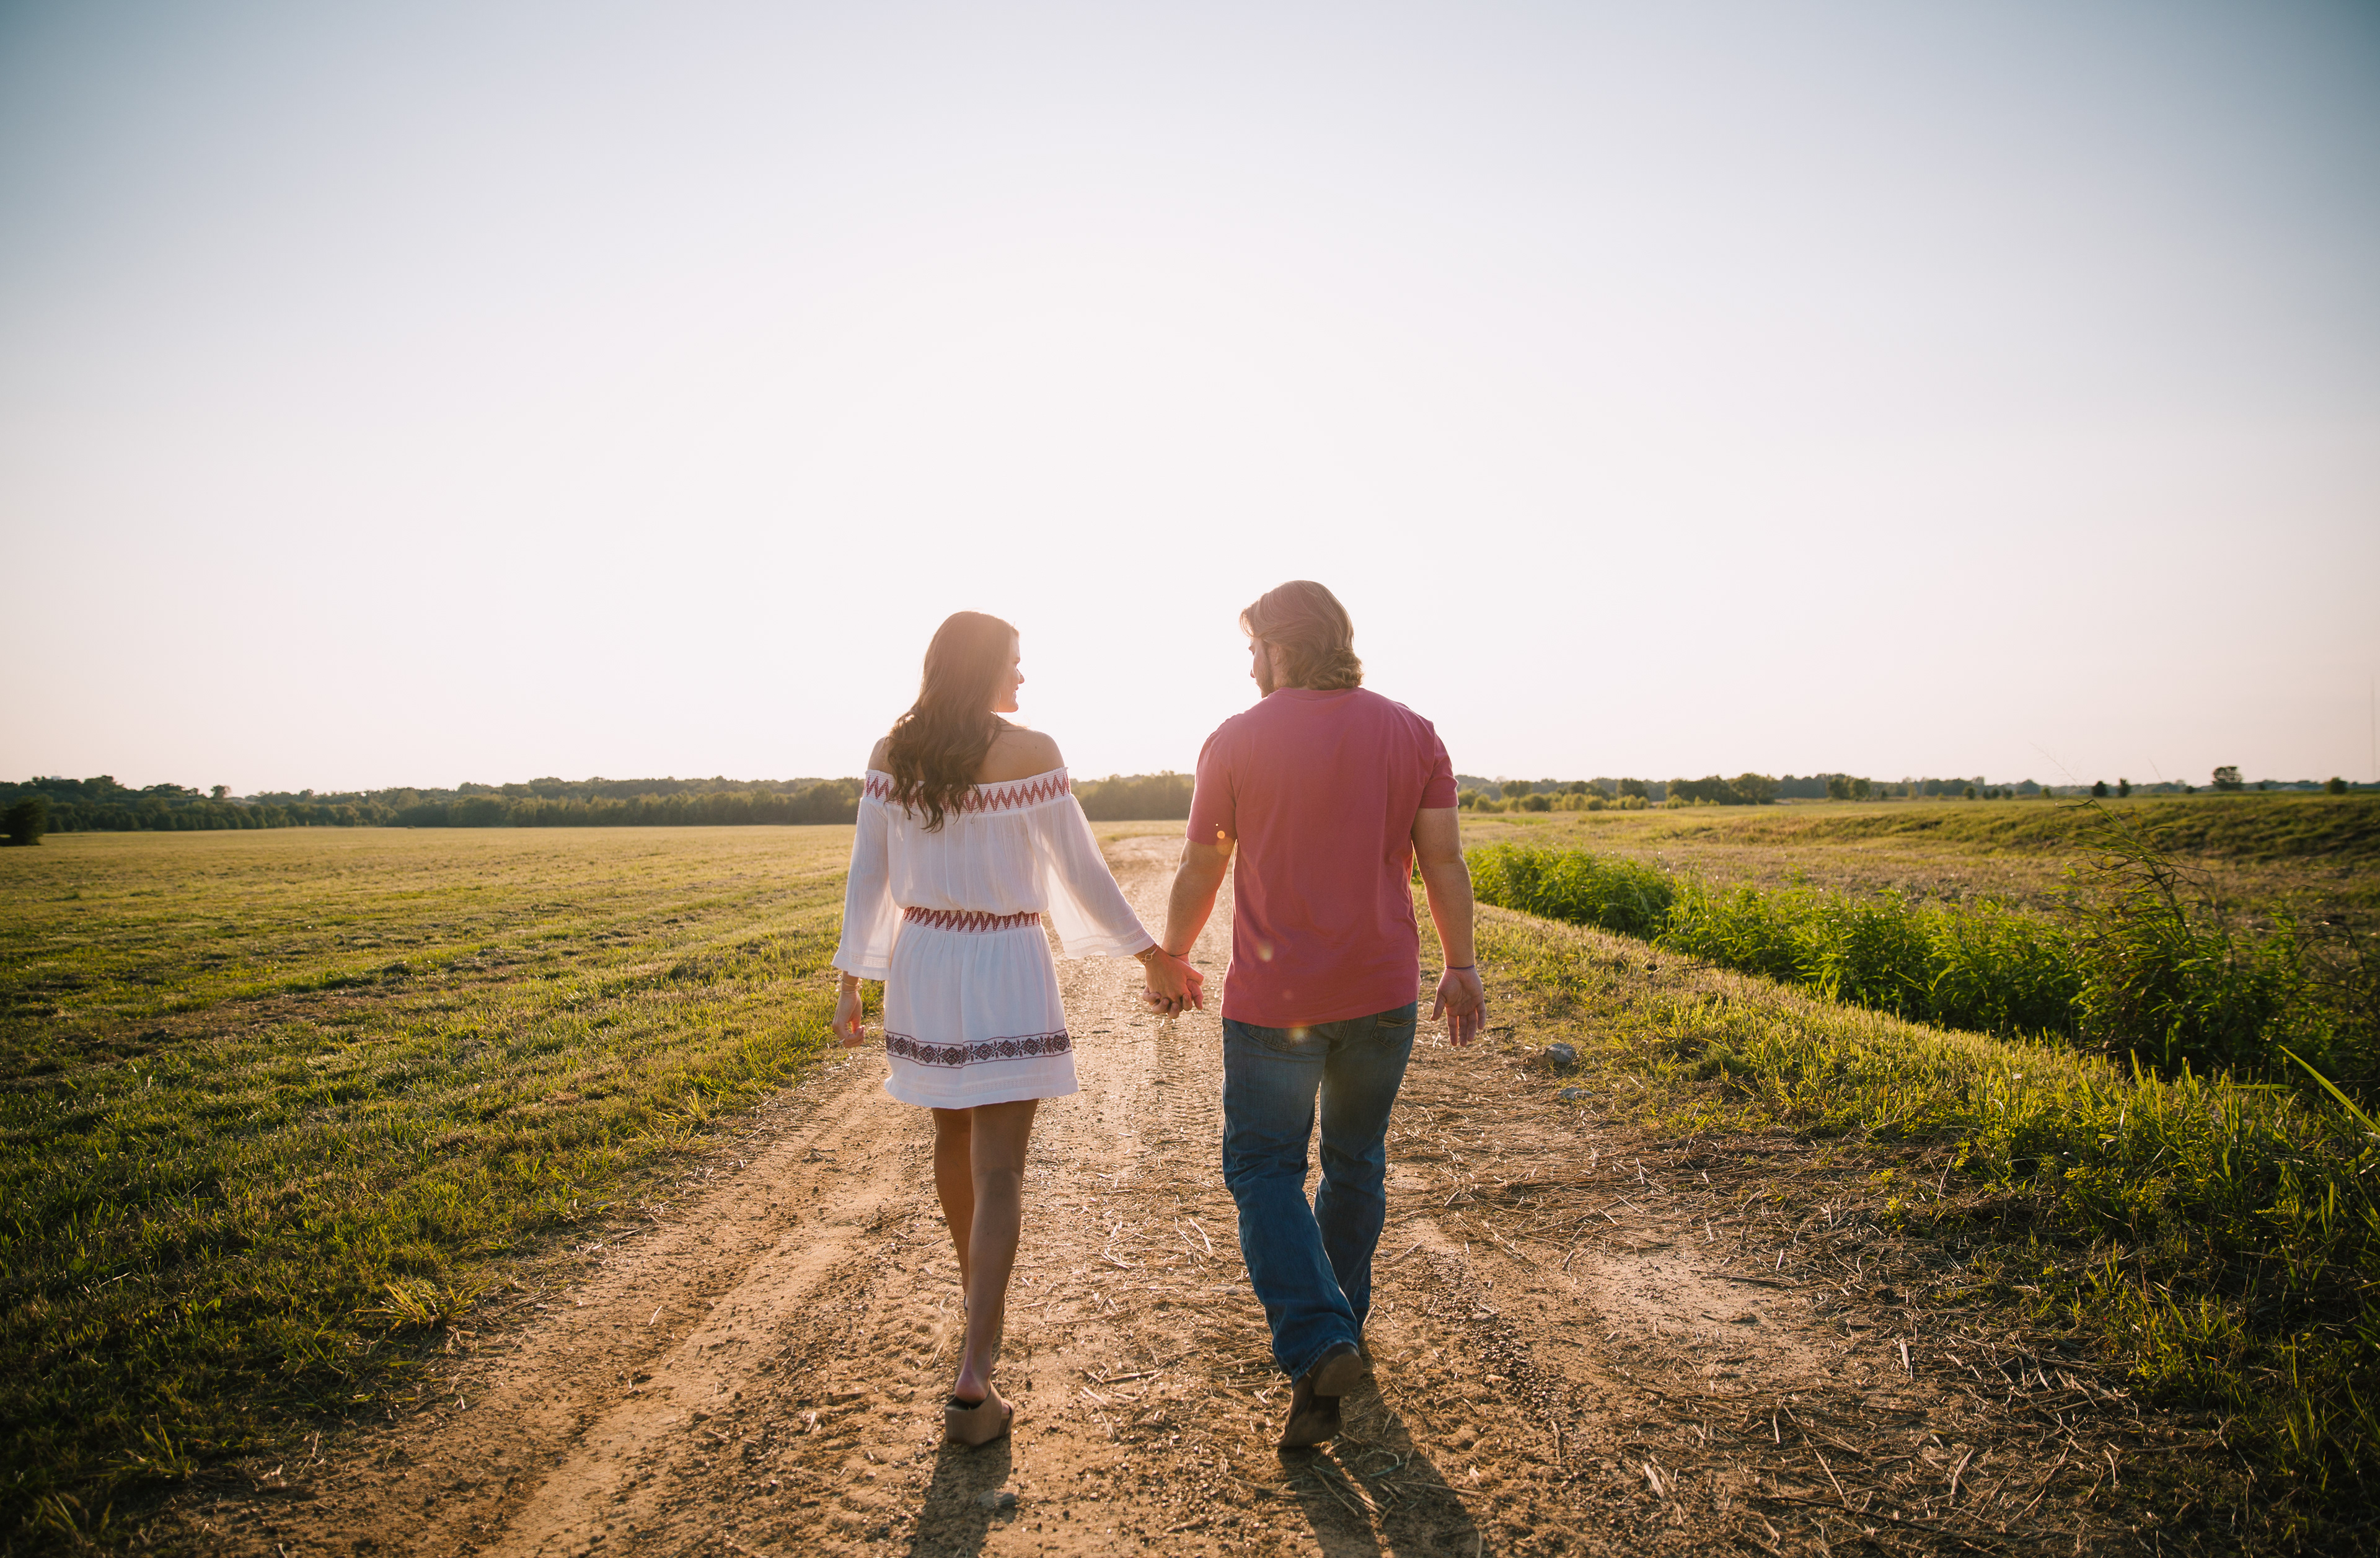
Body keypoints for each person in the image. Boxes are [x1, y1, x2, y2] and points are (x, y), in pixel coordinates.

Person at [832, 611, 1203, 1446]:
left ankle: (978, 1319)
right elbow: (1082, 870)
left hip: (927, 957)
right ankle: (975, 1365)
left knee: (951, 1141)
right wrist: (1151, 955)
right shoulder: (1033, 752)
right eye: (1015, 662)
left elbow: (869, 876)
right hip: (1004, 958)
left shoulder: (895, 754)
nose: (1024, 678)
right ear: (983, 668)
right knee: (999, 1165)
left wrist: (853, 983)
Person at [1148, 581, 1485, 1448]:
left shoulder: (1234, 739)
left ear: (1285, 647)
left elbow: (1200, 868)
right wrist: (1460, 964)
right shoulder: (1412, 732)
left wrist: (1175, 955)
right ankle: (1334, 1348)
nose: (1250, 661)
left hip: (1274, 1006)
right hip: (1382, 993)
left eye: (1255, 644)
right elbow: (1442, 860)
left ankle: (1320, 1339)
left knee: (1263, 1167)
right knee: (1354, 1163)